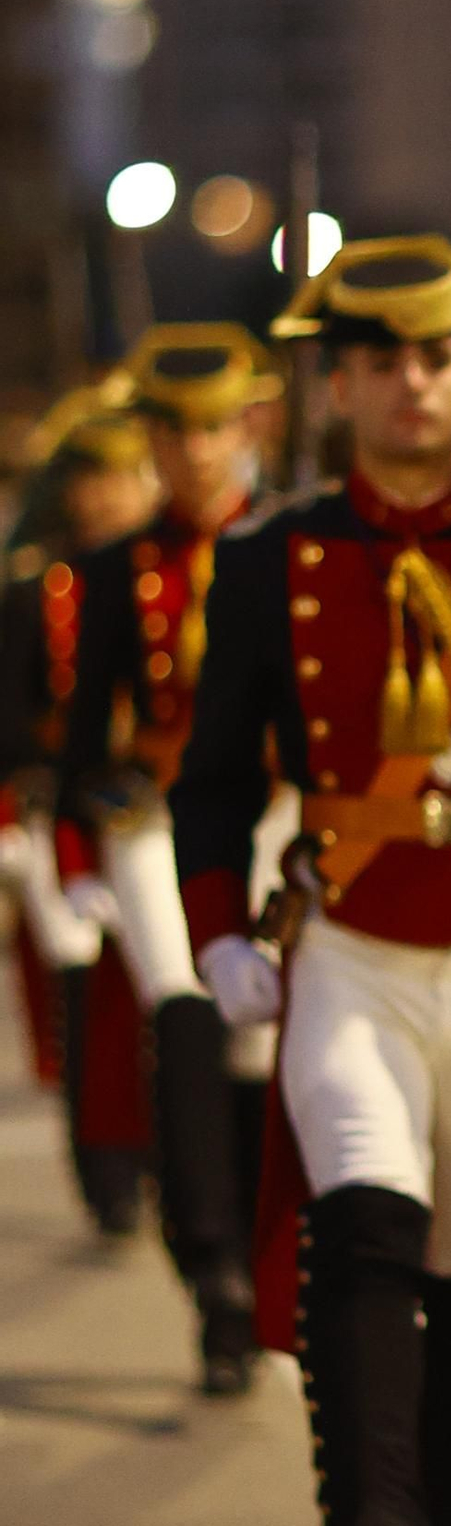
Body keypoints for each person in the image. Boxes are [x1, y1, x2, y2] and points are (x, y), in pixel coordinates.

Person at [172, 235, 451, 1526]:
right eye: (383, 360)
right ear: (335, 384)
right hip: (355, 945)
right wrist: (217, 924)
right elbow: (214, 779)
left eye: (438, 357)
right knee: (364, 1214)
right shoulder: (274, 556)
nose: (413, 383)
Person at [54, 328, 278, 1384]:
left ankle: (259, 1237)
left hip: (276, 814)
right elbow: (86, 717)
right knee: (184, 1009)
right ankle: (215, 1264)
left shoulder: (290, 542)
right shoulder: (114, 568)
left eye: (212, 430)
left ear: (248, 428)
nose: (194, 454)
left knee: (260, 1043)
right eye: (173, 433)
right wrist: (85, 820)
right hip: (156, 818)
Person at [0, 390, 159, 1236]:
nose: (103, 498)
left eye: (119, 479)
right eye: (90, 481)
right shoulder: (38, 590)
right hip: (75, 808)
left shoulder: (178, 571)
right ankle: (104, 1165)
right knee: (87, 991)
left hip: (162, 807)